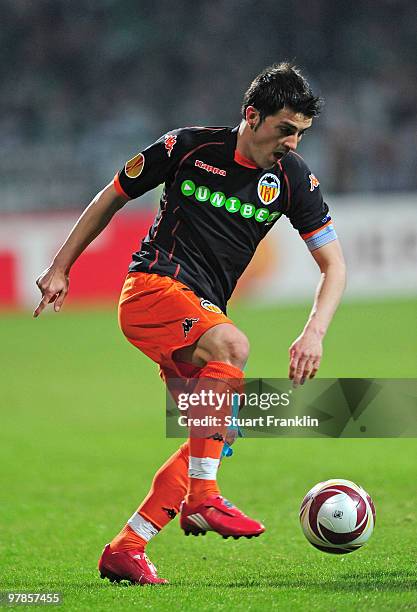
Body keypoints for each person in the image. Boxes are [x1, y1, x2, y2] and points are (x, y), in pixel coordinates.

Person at [34, 62, 346, 585]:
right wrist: (62, 266)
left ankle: (127, 547)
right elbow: (112, 195)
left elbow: (333, 264)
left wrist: (314, 330)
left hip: (196, 308)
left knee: (218, 433)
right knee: (232, 346)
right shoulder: (188, 148)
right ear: (252, 116)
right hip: (152, 288)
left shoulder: (291, 179)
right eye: (284, 129)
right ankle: (203, 497)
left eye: (300, 132)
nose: (292, 142)